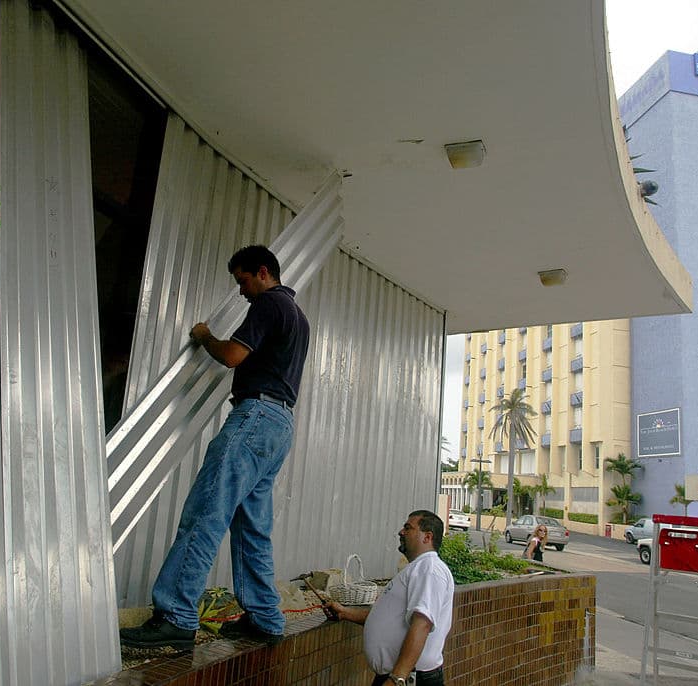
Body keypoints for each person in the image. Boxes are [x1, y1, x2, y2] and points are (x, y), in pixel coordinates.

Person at [120, 245, 310, 651]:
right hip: (280, 425)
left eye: (243, 281)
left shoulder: (268, 304)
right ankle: (265, 618)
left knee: (206, 512)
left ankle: (175, 615)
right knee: (253, 529)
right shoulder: (299, 316)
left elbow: (232, 355)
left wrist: (205, 335)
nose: (241, 292)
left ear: (263, 272)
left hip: (254, 418)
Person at [325, 510, 455, 686]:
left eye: (408, 528)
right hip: (400, 676)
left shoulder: (429, 569)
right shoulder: (418, 569)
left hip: (408, 679)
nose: (401, 532)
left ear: (427, 537)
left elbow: (422, 624)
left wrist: (397, 678)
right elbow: (390, 618)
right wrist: (345, 613)